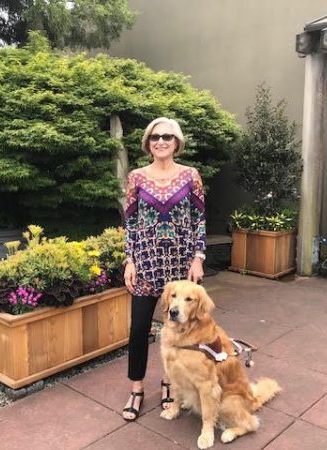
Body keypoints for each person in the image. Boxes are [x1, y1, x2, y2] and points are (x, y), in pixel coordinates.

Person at [122, 117, 206, 421]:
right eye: (155, 137)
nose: (161, 141)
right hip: (145, 264)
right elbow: (130, 223)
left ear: (176, 142)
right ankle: (136, 389)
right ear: (148, 142)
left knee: (178, 331)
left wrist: (198, 257)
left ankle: (170, 383)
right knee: (139, 329)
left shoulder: (190, 176)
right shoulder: (136, 178)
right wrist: (129, 260)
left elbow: (199, 220)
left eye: (167, 137)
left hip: (179, 266)